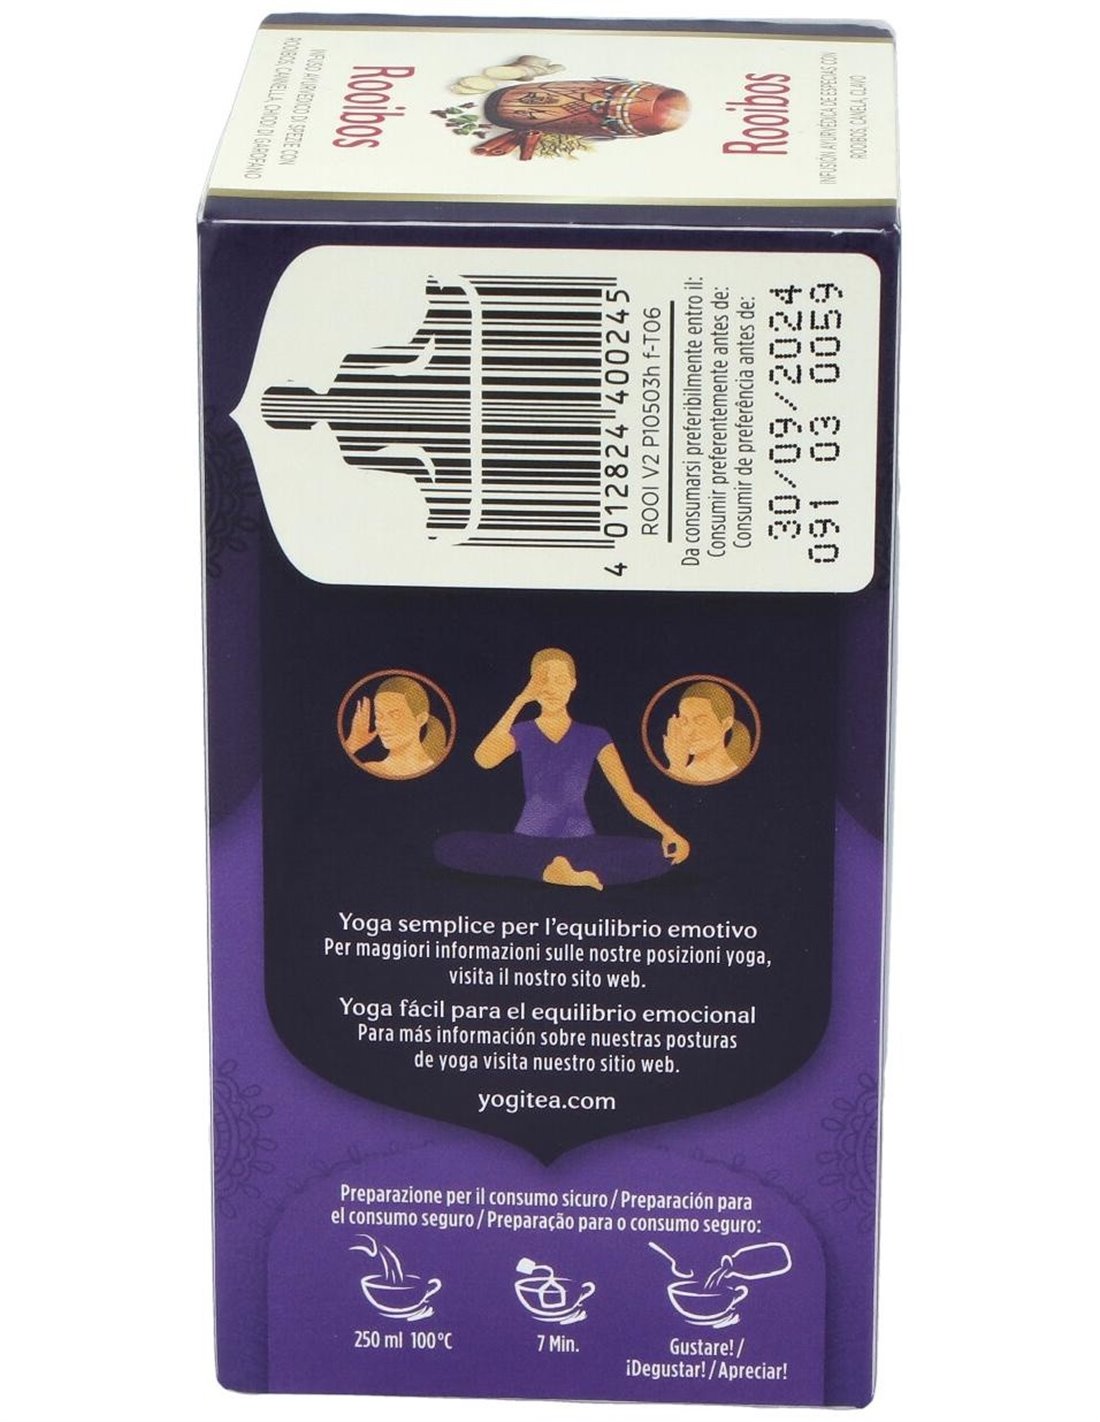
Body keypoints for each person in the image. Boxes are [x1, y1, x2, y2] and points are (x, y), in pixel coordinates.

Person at [434, 649, 689, 889]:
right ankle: (561, 872)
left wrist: (667, 831)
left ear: (572, 684)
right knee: (449, 845)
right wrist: (521, 699)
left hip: (583, 845)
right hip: (528, 843)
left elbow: (628, 795)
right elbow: (484, 759)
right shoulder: (524, 731)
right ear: (532, 685)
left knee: (661, 853)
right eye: (542, 681)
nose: (551, 688)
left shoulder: (595, 736)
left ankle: (556, 871)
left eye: (559, 680)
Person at [343, 676, 447, 779]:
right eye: (378, 716)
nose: (383, 725)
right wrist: (352, 743)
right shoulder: (370, 768)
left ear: (421, 719)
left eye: (395, 716)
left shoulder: (440, 767)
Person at [662, 681, 752, 785]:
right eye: (684, 721)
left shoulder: (739, 773)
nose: (689, 731)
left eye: (700, 721)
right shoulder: (676, 771)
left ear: (726, 724)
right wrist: (676, 765)